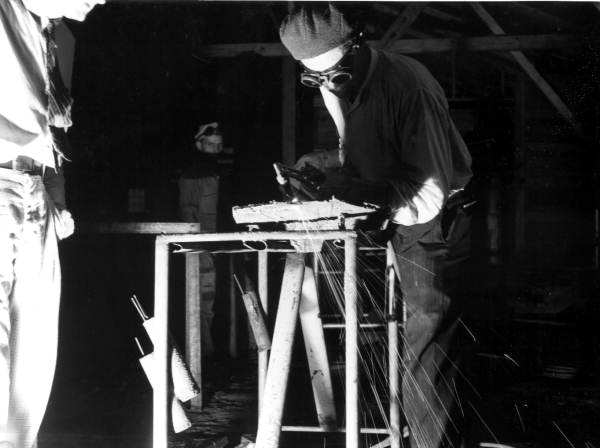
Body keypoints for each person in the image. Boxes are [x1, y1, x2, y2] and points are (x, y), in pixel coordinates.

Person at [280, 4, 473, 448]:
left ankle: (433, 445)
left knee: (426, 343)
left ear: (358, 45)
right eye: (315, 78)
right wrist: (321, 168)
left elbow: (427, 197)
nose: (328, 86)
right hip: (398, 213)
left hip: (435, 222)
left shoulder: (410, 87)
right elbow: (357, 151)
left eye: (334, 75)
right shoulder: (336, 83)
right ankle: (409, 432)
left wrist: (350, 192)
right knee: (399, 341)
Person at [0, 1, 104, 447]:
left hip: (35, 184)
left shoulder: (58, 35)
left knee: (36, 343)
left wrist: (56, 197)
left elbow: (51, 126)